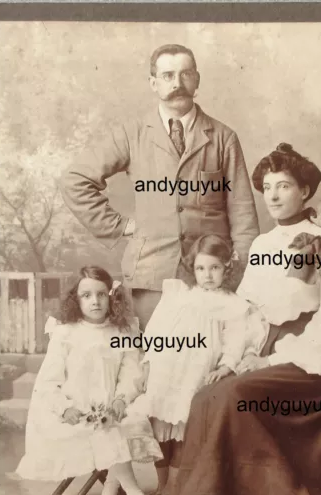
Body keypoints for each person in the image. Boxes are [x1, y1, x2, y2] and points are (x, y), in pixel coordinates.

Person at [151, 143, 321, 495]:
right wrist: (238, 357)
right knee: (206, 393)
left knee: (233, 396)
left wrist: (268, 361)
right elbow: (249, 311)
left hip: (310, 359)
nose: (274, 195)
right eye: (268, 186)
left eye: (284, 186)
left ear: (305, 192)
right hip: (263, 352)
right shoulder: (260, 246)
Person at [60, 44, 259, 330]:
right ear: (153, 83)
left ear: (197, 80)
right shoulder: (133, 134)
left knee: (211, 362)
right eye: (167, 75)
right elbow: (74, 180)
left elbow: (242, 212)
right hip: (151, 274)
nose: (177, 84)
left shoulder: (223, 137)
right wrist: (120, 225)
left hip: (210, 275)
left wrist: (239, 271)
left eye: (185, 74)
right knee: (154, 360)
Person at [16, 266, 166, 495]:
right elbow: (48, 384)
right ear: (77, 298)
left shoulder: (123, 330)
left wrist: (120, 399)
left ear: (112, 296)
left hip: (111, 408)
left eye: (101, 294)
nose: (95, 301)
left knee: (124, 423)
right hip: (72, 413)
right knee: (107, 430)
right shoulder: (66, 333)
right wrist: (65, 409)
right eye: (86, 295)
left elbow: (131, 374)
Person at [128, 234, 268, 495]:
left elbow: (236, 339)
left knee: (182, 426)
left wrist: (227, 365)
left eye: (214, 268)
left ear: (227, 267)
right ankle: (161, 485)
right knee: (160, 426)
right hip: (167, 369)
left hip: (196, 371)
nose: (207, 275)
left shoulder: (233, 304)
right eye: (201, 268)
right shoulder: (179, 296)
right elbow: (158, 331)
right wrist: (148, 362)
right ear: (192, 269)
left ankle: (173, 489)